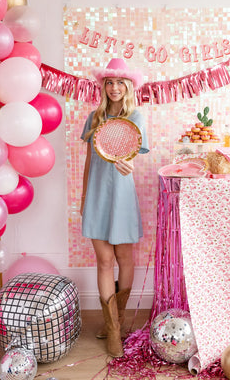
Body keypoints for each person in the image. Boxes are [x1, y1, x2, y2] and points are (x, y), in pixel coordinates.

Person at [80, 58, 149, 357]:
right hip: (97, 195)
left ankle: (116, 320)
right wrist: (84, 200)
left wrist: (129, 165)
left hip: (122, 196)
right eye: (109, 82)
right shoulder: (94, 118)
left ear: (128, 86)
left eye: (120, 82)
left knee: (124, 257)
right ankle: (113, 333)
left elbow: (134, 156)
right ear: (104, 86)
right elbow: (87, 162)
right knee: (104, 260)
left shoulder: (136, 118)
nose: (115, 87)